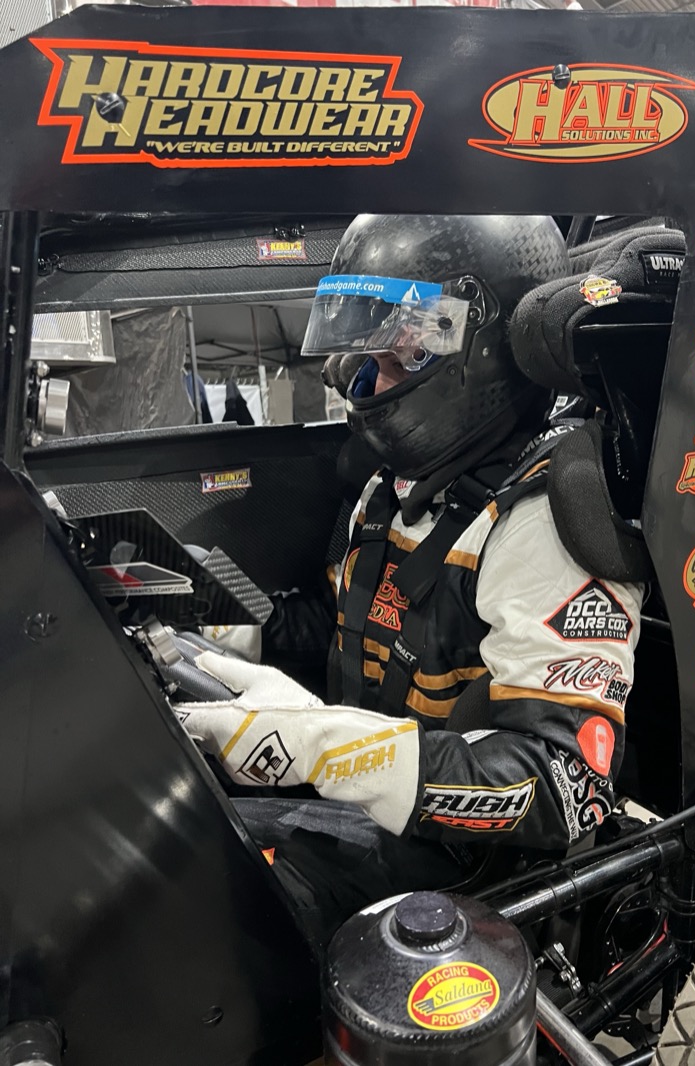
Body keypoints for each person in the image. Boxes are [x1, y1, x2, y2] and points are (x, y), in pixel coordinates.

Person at [175, 215, 643, 946]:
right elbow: (351, 633)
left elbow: (566, 788)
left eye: (401, 352)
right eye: (366, 353)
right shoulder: (391, 487)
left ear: (479, 351)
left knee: (201, 915)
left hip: (463, 863)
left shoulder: (541, 519)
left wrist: (327, 748)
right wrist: (212, 643)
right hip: (366, 808)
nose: (368, 381)